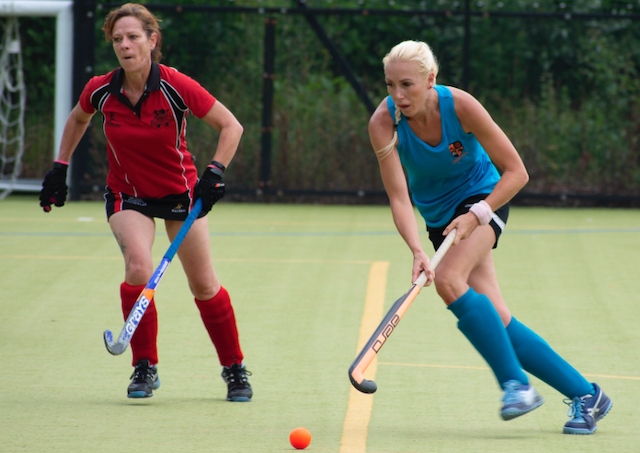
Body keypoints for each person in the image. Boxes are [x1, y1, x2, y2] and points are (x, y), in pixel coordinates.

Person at [368, 40, 611, 434]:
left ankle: (516, 385)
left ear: (431, 80)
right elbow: (399, 196)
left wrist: (477, 214)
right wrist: (416, 249)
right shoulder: (384, 123)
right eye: (390, 84)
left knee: (448, 280)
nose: (398, 95)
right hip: (439, 220)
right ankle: (588, 395)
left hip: (485, 198)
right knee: (497, 319)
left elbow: (517, 172)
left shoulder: (461, 106)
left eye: (407, 84)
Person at [38, 3, 252, 402]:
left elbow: (231, 126)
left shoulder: (174, 84)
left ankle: (234, 368)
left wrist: (215, 171)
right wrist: (59, 166)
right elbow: (77, 119)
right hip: (127, 194)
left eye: (133, 37)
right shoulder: (101, 89)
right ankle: (144, 366)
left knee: (203, 284)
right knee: (139, 266)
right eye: (117, 39)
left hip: (181, 194)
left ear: (152, 41)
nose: (125, 45)